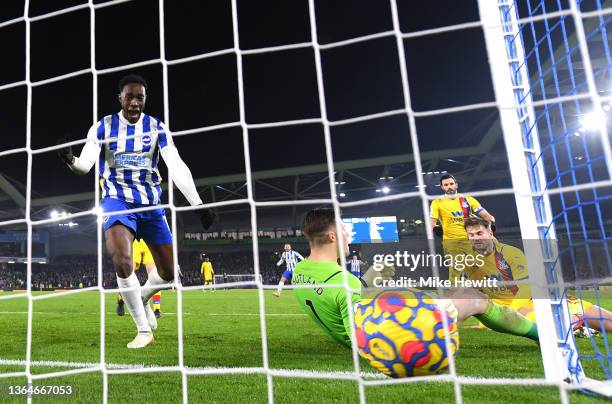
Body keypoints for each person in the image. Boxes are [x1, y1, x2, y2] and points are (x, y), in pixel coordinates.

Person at [58, 74, 214, 348]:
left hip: (152, 204)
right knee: (121, 259)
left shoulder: (156, 128)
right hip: (117, 200)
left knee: (168, 274)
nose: (134, 102)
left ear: (145, 100)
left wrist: (198, 205)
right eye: (129, 96)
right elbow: (85, 166)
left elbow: (175, 164)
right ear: (119, 98)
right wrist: (70, 159)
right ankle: (144, 331)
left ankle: (140, 297)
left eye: (139, 97)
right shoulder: (103, 127)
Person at [292, 208, 539, 349]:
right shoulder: (344, 281)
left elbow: (339, 297)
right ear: (333, 237)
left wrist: (369, 283)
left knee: (442, 292)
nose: (349, 235)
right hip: (395, 342)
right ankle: (539, 335)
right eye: (345, 231)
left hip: (373, 327)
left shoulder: (300, 271)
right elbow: (360, 339)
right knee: (474, 298)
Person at [462, 216, 612, 334]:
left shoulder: (509, 253)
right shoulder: (466, 259)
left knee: (600, 317)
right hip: (507, 308)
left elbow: (526, 286)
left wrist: (511, 313)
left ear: (490, 233)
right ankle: (571, 324)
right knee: (538, 320)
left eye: (479, 233)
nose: (476, 237)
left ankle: (575, 323)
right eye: (471, 234)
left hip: (536, 298)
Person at [117, 239, 162, 318]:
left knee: (154, 276)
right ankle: (121, 300)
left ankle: (156, 309)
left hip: (149, 242)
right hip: (136, 241)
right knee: (128, 274)